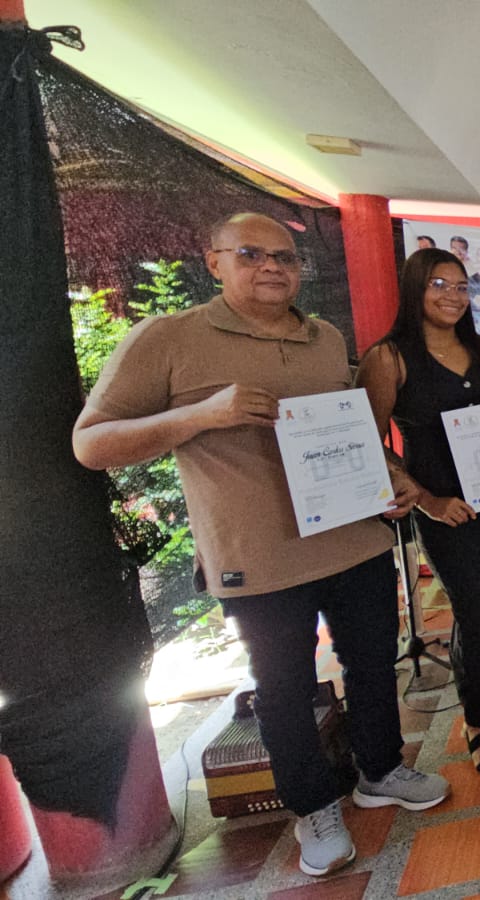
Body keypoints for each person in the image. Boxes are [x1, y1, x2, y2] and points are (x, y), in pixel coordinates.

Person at [72, 213, 447, 877]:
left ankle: (382, 770)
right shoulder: (167, 338)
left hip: (355, 538)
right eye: (252, 254)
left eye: (285, 257)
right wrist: (201, 415)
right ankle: (313, 809)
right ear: (213, 261)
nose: (273, 266)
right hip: (259, 557)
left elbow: (350, 430)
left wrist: (391, 480)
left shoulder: (324, 337)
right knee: (284, 688)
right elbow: (92, 443)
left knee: (371, 664)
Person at [357, 248, 480, 777]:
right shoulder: (389, 357)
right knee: (477, 610)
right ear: (415, 289)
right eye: (439, 285)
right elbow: (367, 437)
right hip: (447, 507)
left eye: (460, 287)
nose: (452, 296)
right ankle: (477, 722)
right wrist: (426, 500)